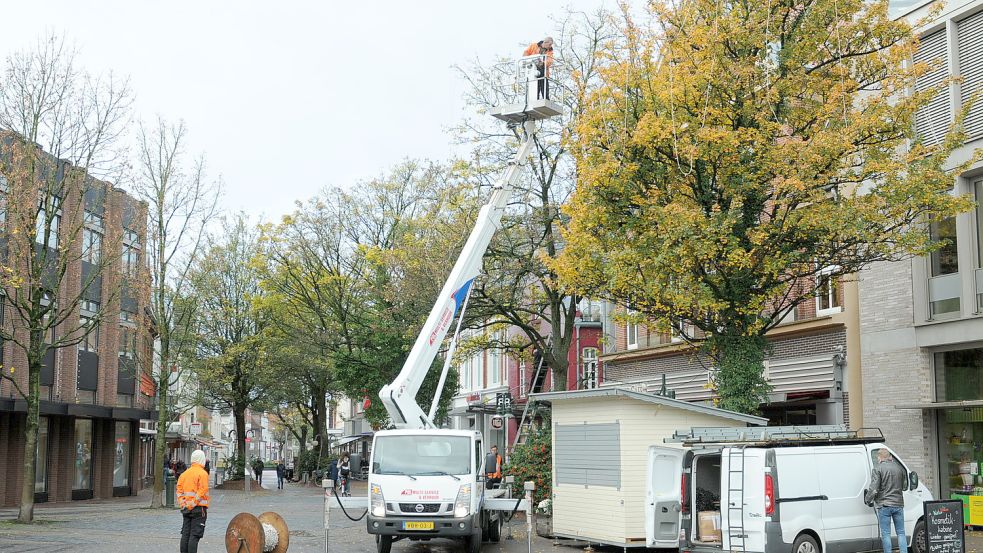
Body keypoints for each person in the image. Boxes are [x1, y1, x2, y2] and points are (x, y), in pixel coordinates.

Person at [865, 449, 907, 553]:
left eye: (877, 458)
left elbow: (874, 488)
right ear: (889, 457)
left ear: (879, 457)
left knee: (886, 534)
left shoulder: (877, 468)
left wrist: (868, 499)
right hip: (898, 504)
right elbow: (903, 486)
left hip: (884, 505)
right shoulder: (899, 468)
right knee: (901, 533)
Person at [176, 449, 210, 553]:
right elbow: (202, 490)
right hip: (199, 509)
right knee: (194, 536)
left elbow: (179, 490)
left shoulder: (184, 474)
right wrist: (193, 504)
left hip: (186, 509)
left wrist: (183, 504)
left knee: (185, 534)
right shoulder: (203, 474)